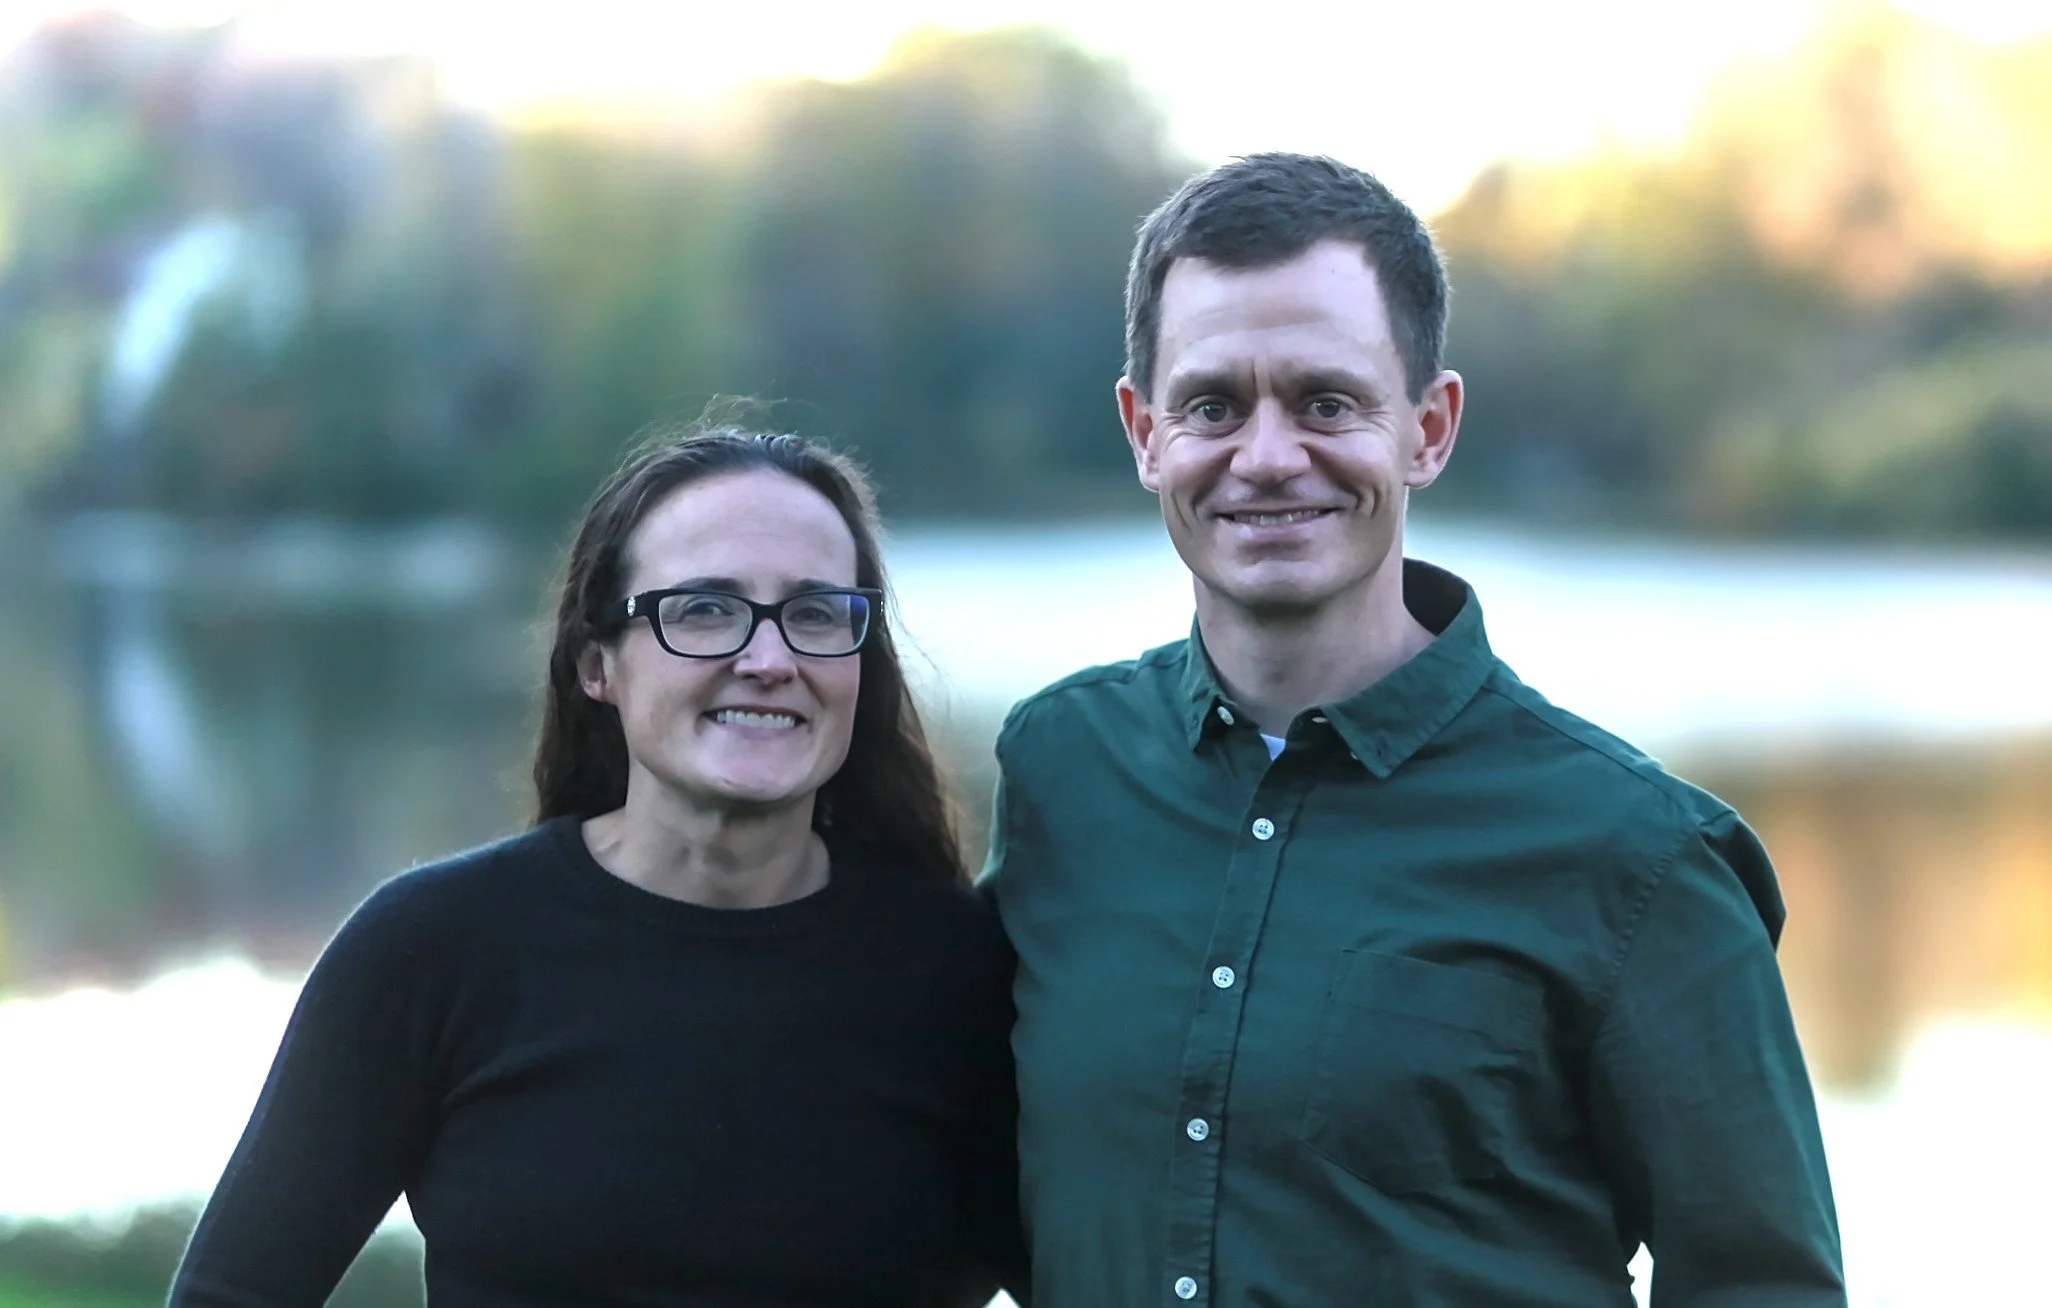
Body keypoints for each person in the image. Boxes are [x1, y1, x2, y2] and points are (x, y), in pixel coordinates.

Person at [980, 153, 1845, 1306]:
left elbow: (1762, 1286)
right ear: (1145, 433)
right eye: (1212, 405)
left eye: (1327, 401)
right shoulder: (1061, 768)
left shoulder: (1638, 855)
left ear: (1428, 429)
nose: (1269, 455)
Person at [170, 424, 1024, 1307]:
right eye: (704, 609)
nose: (769, 661)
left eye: (815, 614)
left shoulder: (960, 976)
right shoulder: (433, 950)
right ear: (595, 665)